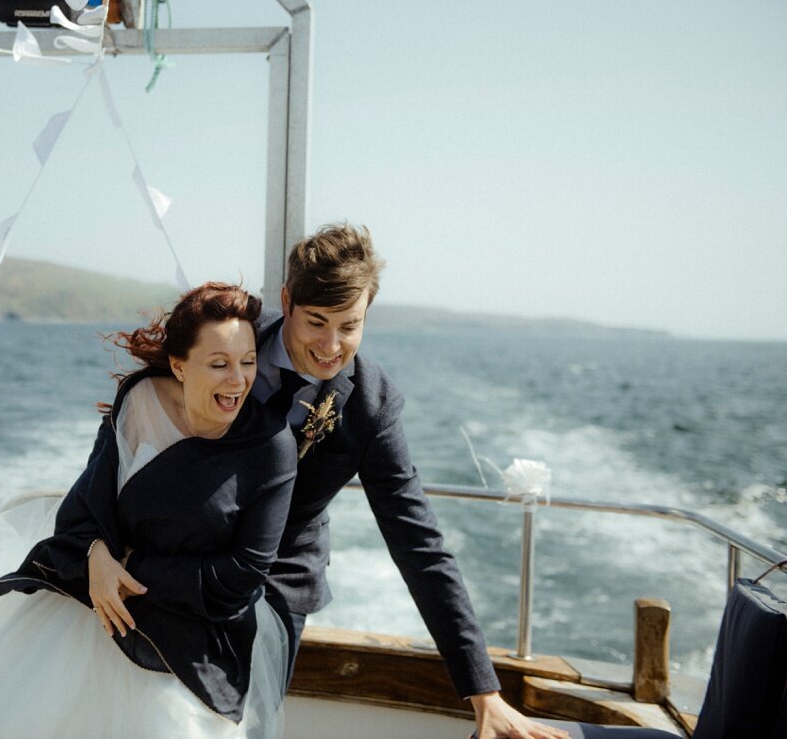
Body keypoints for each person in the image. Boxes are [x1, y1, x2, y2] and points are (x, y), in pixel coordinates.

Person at [89, 225, 571, 739]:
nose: (330, 345)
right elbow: (126, 442)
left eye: (350, 326)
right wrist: (96, 545)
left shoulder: (370, 406)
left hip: (270, 583)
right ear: (286, 301)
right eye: (316, 322)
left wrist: (484, 695)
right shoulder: (230, 336)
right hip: (158, 560)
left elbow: (419, 543)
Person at [0, 281, 298, 738]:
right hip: (88, 612)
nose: (238, 380)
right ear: (178, 366)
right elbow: (83, 508)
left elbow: (242, 577)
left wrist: (125, 568)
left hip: (191, 642)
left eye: (248, 361)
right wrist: (92, 555)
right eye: (218, 364)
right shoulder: (137, 402)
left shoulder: (271, 447)